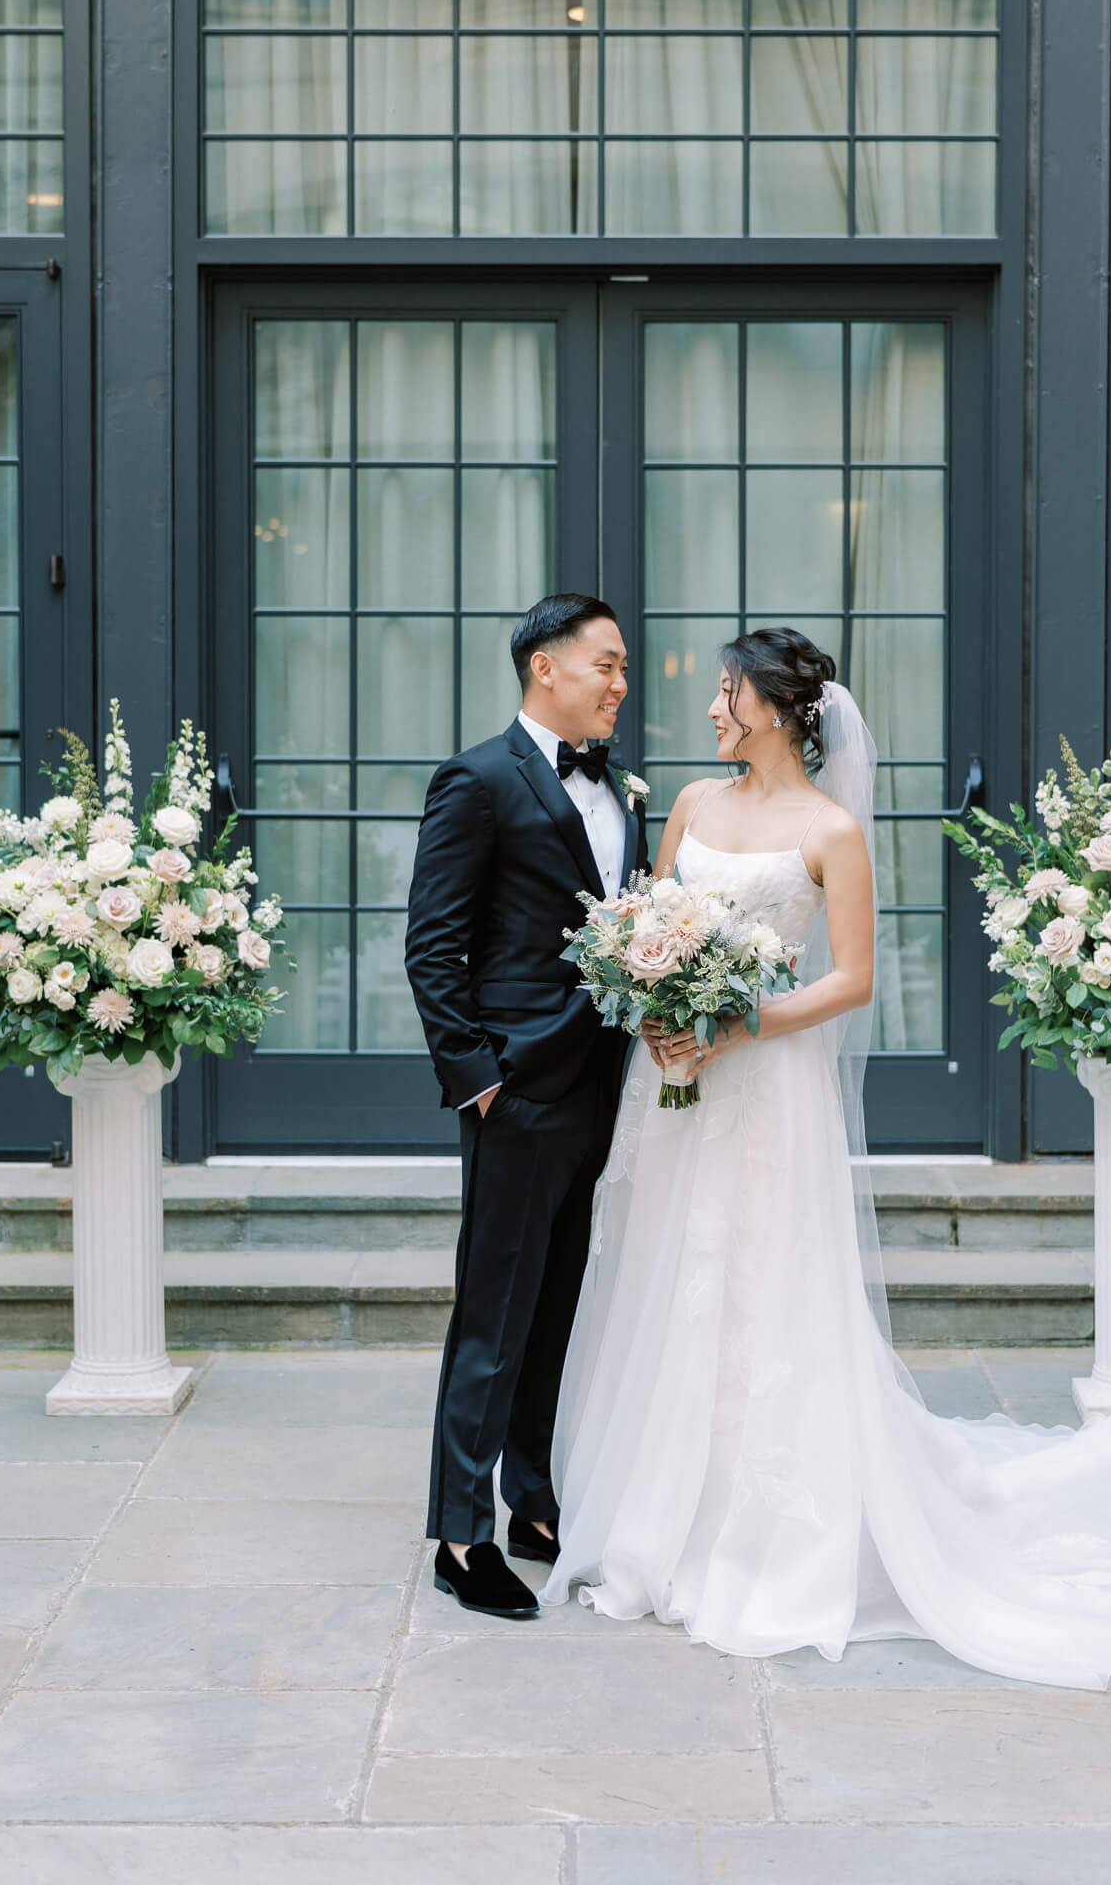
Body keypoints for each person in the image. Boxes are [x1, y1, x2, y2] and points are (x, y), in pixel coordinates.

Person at [538, 625, 1111, 1687]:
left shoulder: (828, 829)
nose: (711, 708)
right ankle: (660, 1514)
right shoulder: (691, 806)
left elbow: (850, 978)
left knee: (765, 1286)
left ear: (772, 707)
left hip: (767, 1085)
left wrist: (740, 1022)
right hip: (679, 1081)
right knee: (673, 1276)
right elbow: (650, 920)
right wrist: (661, 1004)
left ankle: (770, 1527)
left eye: (726, 693)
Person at [404, 594, 648, 1620]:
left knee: (556, 1306)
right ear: (545, 667)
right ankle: (460, 1535)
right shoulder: (477, 779)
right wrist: (480, 1079)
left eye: (624, 666)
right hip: (516, 1091)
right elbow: (433, 947)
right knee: (493, 1313)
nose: (619, 682)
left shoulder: (627, 792)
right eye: (606, 663)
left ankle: (532, 1500)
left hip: (602, 1087)